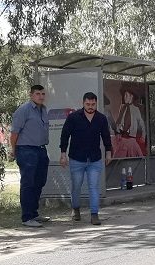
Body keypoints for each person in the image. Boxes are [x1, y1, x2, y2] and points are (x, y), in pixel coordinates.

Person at [59, 92, 112, 225]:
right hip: (77, 158)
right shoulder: (73, 117)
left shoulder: (101, 118)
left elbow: (106, 137)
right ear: (83, 103)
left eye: (93, 104)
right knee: (76, 186)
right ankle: (75, 209)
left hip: (94, 159)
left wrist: (108, 152)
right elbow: (65, 136)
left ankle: (94, 214)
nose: (90, 107)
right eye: (88, 104)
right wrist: (63, 154)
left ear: (96, 103)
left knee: (94, 187)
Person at [10, 85, 50, 228]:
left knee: (40, 181)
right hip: (26, 150)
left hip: (41, 149)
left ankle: (34, 213)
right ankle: (27, 217)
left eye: (43, 94)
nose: (41, 96)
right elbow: (14, 133)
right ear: (31, 95)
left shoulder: (43, 110)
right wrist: (13, 149)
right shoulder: (24, 110)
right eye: (38, 94)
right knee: (28, 183)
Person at [112, 88, 146, 157]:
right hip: (122, 138)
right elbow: (119, 121)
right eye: (124, 95)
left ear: (131, 96)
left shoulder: (135, 109)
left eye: (126, 95)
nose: (124, 97)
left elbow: (141, 123)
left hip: (131, 138)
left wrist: (143, 136)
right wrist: (117, 131)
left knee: (135, 155)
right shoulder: (123, 108)